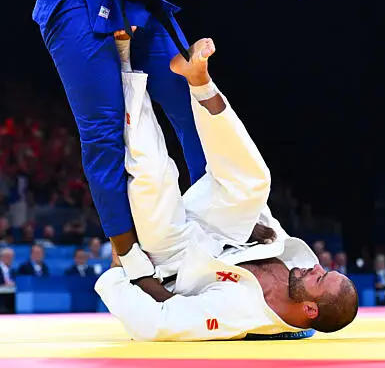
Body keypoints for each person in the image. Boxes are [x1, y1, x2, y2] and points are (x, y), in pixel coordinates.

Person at [31, 0, 348, 282]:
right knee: (105, 130)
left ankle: (223, 220)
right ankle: (129, 256)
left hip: (138, 4)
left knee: (195, 100)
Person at [94, 35, 358, 341]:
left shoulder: (241, 314)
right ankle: (200, 81)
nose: (317, 267)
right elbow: (262, 221)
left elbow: (159, 324)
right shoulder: (300, 272)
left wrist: (121, 272)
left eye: (321, 277)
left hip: (177, 255)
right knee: (255, 183)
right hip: (224, 231)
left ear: (310, 310)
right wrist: (251, 219)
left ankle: (123, 61)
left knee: (154, 172)